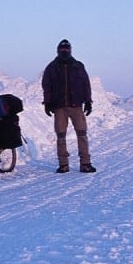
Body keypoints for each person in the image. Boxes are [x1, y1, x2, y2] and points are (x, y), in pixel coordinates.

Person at [42, 39, 96, 173]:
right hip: (59, 107)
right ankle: (63, 164)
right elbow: (46, 86)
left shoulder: (78, 66)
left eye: (66, 49)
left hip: (76, 105)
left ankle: (85, 163)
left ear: (70, 50)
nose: (64, 51)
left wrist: (88, 101)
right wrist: (47, 102)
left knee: (82, 134)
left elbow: (86, 84)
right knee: (61, 136)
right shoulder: (51, 67)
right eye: (62, 49)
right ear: (58, 50)